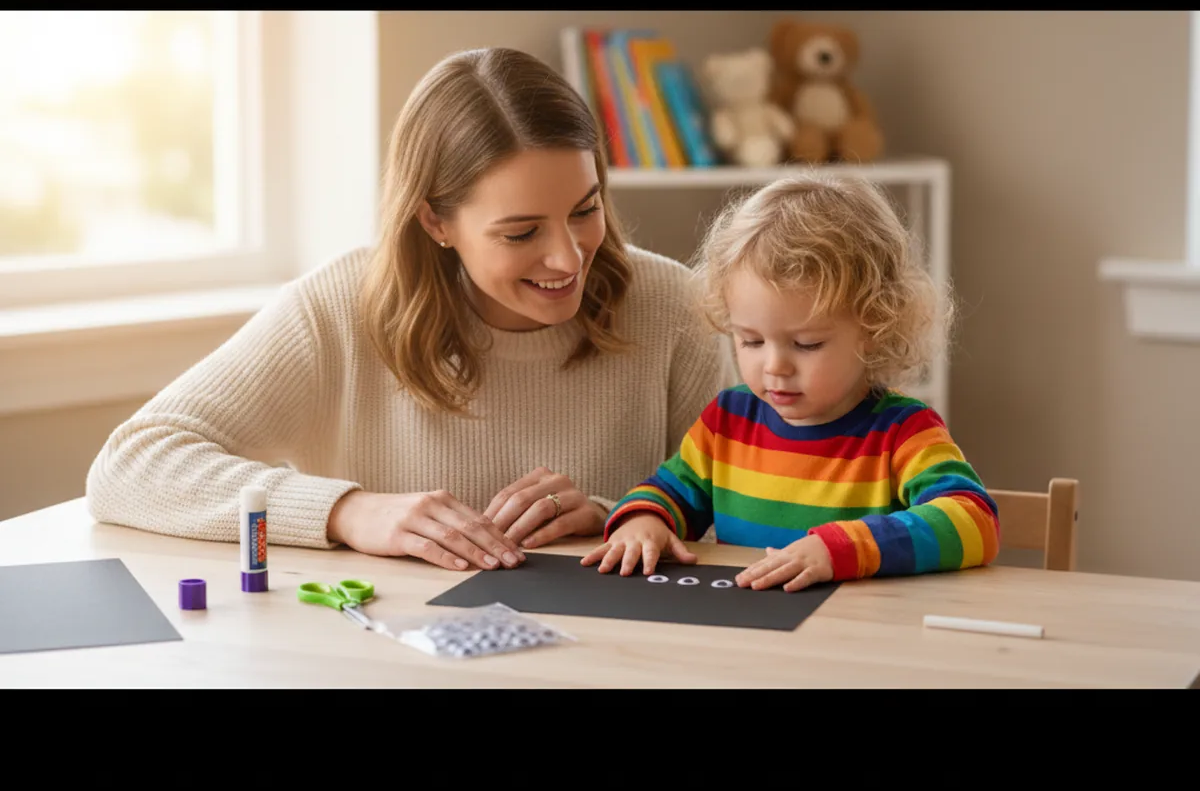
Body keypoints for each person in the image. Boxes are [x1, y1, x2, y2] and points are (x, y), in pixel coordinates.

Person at [86, 47, 738, 573]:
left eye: (585, 209)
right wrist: (349, 512)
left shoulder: (668, 303)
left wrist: (620, 515)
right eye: (520, 233)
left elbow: (741, 505)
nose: (569, 259)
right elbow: (131, 464)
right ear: (436, 221)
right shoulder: (342, 305)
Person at [581, 173, 1000, 591]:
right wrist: (643, 519)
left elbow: (974, 520)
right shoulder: (727, 422)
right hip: (751, 630)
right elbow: (669, 493)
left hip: (856, 635)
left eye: (807, 344)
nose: (774, 365)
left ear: (874, 327)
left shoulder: (903, 431)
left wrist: (840, 549)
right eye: (751, 340)